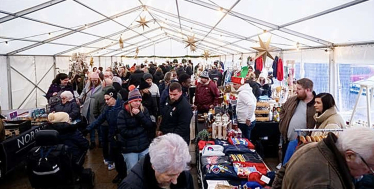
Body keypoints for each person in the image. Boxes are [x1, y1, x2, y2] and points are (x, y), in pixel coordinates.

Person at [272, 127, 374, 189]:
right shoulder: (326, 184)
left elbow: (281, 174)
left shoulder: (310, 147)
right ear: (350, 156)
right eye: (370, 166)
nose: (370, 172)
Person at [118, 133, 194, 189]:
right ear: (154, 166)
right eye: (170, 175)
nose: (175, 181)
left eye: (178, 173)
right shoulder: (131, 186)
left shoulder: (181, 169)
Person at [84, 88, 124, 178]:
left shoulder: (123, 106)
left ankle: (123, 174)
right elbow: (99, 120)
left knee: (121, 157)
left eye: (107, 99)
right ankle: (119, 174)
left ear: (113, 98)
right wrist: (87, 129)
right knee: (116, 157)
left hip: (123, 136)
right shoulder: (107, 109)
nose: (106, 101)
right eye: (105, 99)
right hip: (113, 135)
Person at [117, 87, 153, 174]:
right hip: (129, 149)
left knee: (146, 170)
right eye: (135, 101)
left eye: (139, 101)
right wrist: (141, 129)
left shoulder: (143, 110)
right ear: (130, 101)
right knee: (132, 172)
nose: (138, 103)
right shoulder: (122, 113)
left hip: (143, 146)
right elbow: (124, 132)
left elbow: (149, 125)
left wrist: (139, 115)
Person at [279, 78, 316, 162]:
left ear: (308, 90)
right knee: (285, 166)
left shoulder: (316, 105)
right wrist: (283, 121)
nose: (296, 91)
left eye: (299, 89)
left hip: (303, 144)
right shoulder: (293, 100)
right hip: (287, 140)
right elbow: (282, 110)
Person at [78, 72, 102, 149]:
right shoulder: (88, 84)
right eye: (92, 80)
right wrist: (80, 97)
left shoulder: (101, 85)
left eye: (95, 80)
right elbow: (84, 91)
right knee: (90, 124)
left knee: (98, 124)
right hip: (87, 106)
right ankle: (92, 141)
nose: (94, 81)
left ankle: (100, 141)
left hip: (96, 106)